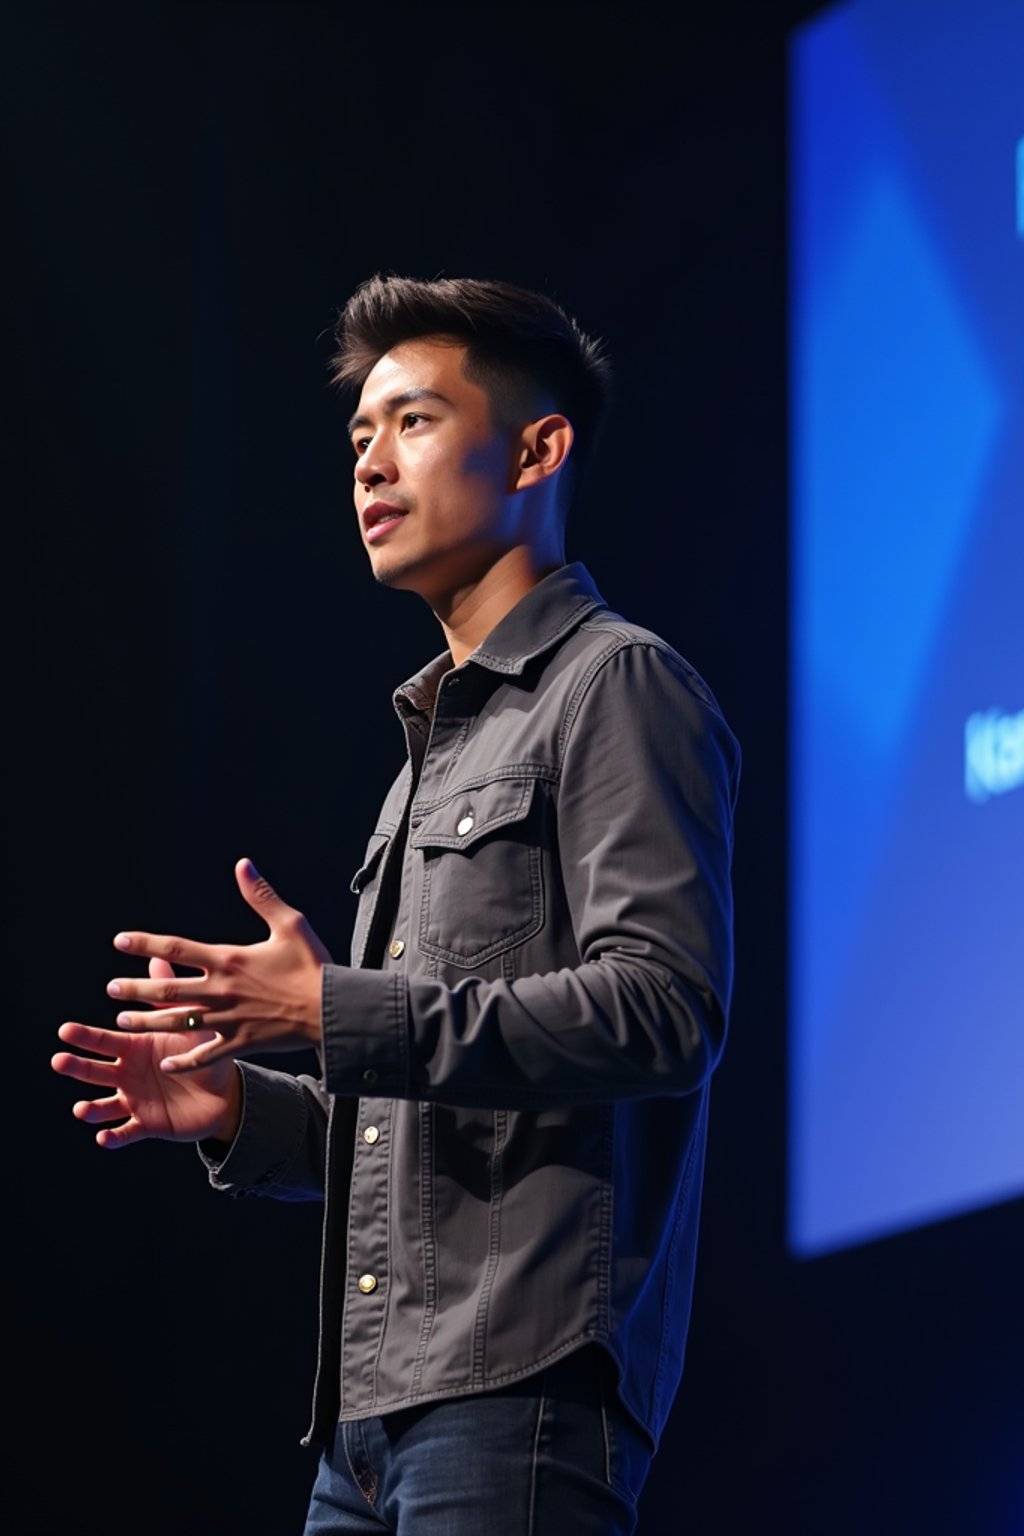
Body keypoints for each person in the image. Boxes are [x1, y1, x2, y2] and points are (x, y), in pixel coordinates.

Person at [52, 274, 741, 1535]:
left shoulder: (617, 688)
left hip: (519, 1391)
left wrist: (335, 1010)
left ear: (537, 448)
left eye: (413, 423)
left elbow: (664, 1012)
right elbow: (422, 1133)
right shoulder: (428, 757)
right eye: (359, 437)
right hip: (366, 1424)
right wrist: (238, 1109)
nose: (370, 465)